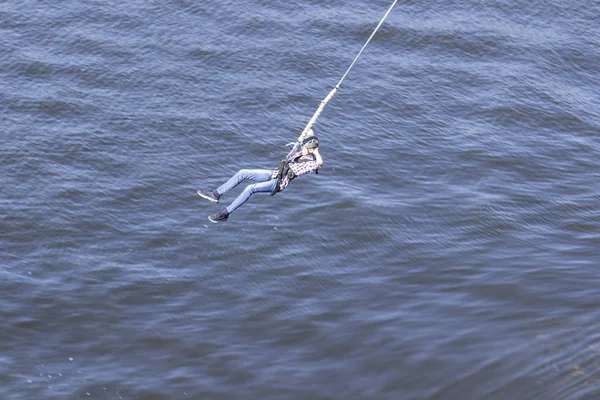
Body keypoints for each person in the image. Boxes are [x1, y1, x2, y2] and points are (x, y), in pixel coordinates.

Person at [197, 131, 323, 223]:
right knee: (243, 172)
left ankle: (225, 213)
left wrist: (315, 150)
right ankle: (216, 194)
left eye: (305, 147)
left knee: (250, 188)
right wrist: (306, 135)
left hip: (277, 183)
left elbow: (319, 162)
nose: (302, 148)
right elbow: (310, 133)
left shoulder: (309, 163)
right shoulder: (300, 153)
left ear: (311, 149)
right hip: (273, 174)